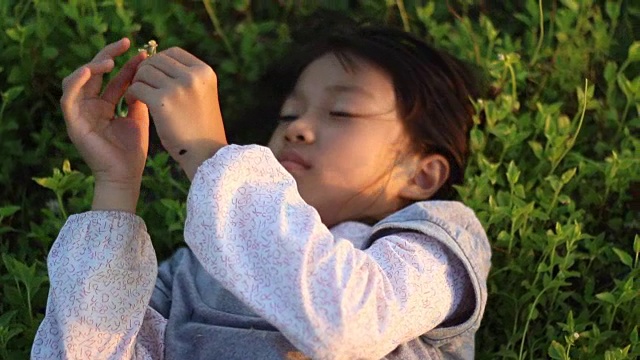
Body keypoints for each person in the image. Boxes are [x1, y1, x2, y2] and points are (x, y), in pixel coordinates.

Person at [31, 19, 491, 360]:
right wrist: (116, 183)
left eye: (343, 112)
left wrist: (210, 153)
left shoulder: (432, 240)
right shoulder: (194, 269)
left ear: (422, 175)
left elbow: (346, 322)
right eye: (289, 114)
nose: (298, 129)